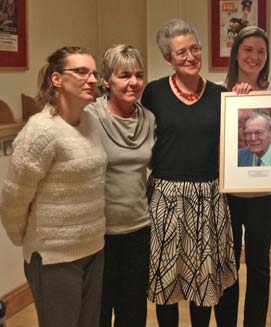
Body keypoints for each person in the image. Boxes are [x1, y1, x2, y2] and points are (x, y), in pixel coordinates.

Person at [0, 46, 107, 327]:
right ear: (57, 79)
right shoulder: (40, 131)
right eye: (82, 71)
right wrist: (30, 240)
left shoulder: (91, 122)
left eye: (94, 73)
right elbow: (13, 198)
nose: (92, 79)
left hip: (94, 248)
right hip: (53, 259)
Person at [140, 19, 237, 327]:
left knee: (203, 282)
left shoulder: (221, 96)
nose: (191, 57)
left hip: (209, 196)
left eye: (195, 48)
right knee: (165, 281)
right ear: (168, 59)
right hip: (164, 197)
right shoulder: (153, 94)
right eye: (181, 52)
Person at [214, 25, 271, 327]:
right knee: (227, 266)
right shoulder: (220, 94)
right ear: (236, 54)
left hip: (265, 197)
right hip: (228, 197)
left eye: (261, 51)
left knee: (260, 266)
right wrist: (233, 98)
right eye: (248, 49)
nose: (255, 56)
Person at [86, 44, 155, 327]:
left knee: (133, 312)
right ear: (106, 81)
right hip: (99, 234)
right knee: (99, 311)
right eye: (124, 75)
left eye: (138, 75)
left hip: (138, 228)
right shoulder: (89, 117)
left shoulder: (148, 119)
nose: (134, 82)